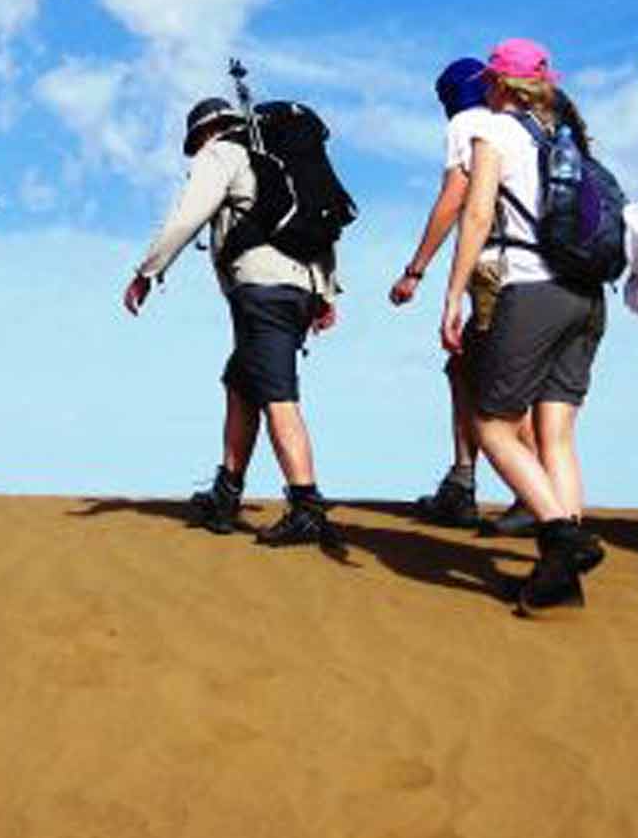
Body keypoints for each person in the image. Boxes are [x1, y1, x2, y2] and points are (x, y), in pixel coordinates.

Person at [123, 97, 340, 547]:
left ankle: (306, 505)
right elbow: (315, 224)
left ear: (204, 133)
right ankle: (226, 492)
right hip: (298, 288)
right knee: (242, 382)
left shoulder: (222, 153)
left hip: (261, 290)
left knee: (278, 395)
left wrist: (147, 271)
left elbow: (187, 215)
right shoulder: (280, 161)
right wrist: (324, 291)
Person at [438, 39, 608, 612]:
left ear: (500, 84)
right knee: (555, 436)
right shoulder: (569, 135)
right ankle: (560, 576)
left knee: (493, 426)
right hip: (587, 296)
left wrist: (453, 295)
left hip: (532, 291)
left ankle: (564, 536)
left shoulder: (496, 132)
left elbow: (478, 213)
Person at [393, 57, 533, 531]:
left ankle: (532, 493)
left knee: (498, 381)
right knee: (465, 369)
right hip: (536, 272)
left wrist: (416, 270)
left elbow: (456, 199)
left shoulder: (469, 125)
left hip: (495, 268)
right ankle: (463, 480)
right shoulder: (523, 125)